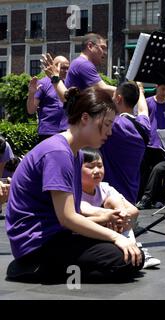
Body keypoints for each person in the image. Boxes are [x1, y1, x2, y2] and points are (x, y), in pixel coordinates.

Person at [5, 87, 144, 283]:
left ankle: (51, 270)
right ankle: (34, 268)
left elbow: (72, 209)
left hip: (54, 236)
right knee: (125, 258)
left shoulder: (74, 153)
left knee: (134, 257)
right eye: (106, 124)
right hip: (37, 244)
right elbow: (68, 218)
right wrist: (115, 237)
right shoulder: (58, 153)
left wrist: (105, 216)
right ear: (85, 118)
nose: (110, 132)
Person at [80, 148, 160, 268]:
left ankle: (132, 246)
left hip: (112, 227)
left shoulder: (105, 188)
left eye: (100, 166)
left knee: (114, 200)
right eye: (90, 167)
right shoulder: (74, 193)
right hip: (85, 232)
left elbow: (134, 210)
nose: (97, 171)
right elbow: (76, 222)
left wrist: (118, 216)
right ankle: (131, 247)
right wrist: (107, 218)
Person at [100, 81, 150, 204]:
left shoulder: (113, 125)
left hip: (110, 198)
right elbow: (143, 110)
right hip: (132, 194)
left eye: (113, 96)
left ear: (118, 98)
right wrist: (141, 91)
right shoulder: (143, 126)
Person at [138, 83, 165, 200]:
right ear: (156, 87)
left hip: (162, 145)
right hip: (148, 143)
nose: (164, 92)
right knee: (144, 172)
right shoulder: (147, 102)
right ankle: (142, 197)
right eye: (163, 89)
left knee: (159, 173)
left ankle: (158, 198)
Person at [41, 33, 116, 102]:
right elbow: (102, 89)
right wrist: (125, 91)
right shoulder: (83, 64)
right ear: (90, 46)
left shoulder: (80, 63)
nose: (105, 52)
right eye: (102, 48)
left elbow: (65, 98)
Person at [27, 56, 70, 142]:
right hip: (48, 133)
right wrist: (31, 93)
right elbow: (31, 110)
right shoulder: (43, 83)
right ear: (54, 67)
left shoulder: (69, 84)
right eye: (63, 68)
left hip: (66, 133)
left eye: (67, 68)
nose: (66, 71)